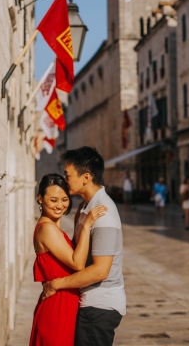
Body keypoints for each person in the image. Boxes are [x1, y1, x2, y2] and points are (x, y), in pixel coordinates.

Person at [42, 146, 125, 346]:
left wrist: (57, 284)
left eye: (68, 175)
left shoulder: (103, 214)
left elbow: (100, 271)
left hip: (100, 306)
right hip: (88, 301)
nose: (65, 179)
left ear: (86, 178)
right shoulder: (85, 208)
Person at [29, 173, 107, 346]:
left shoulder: (53, 228)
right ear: (40, 198)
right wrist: (86, 225)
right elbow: (77, 263)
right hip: (56, 310)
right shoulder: (47, 229)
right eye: (54, 200)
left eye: (64, 199)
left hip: (64, 306)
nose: (60, 205)